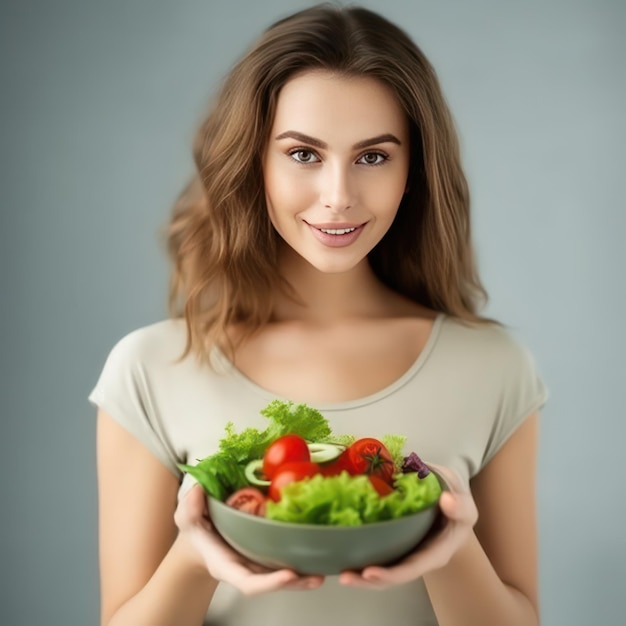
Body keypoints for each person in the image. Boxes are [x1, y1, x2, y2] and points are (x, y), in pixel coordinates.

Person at [90, 4, 547, 625]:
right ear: (255, 162)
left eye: (373, 156)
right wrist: (196, 557)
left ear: (413, 170)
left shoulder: (494, 367)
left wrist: (451, 547)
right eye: (304, 155)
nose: (338, 196)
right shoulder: (150, 369)